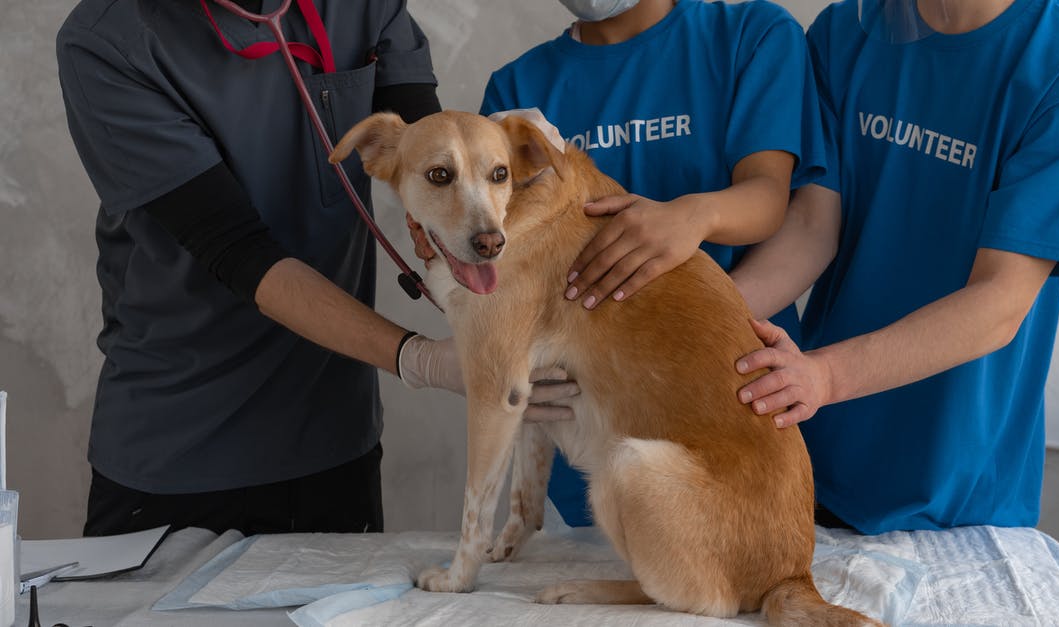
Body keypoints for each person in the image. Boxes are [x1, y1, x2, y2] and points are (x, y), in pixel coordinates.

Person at [56, 0, 572, 537]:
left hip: (332, 435)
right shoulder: (107, 40)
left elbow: (421, 139)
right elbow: (236, 250)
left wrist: (472, 188)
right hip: (181, 446)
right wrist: (420, 359)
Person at [418, 0, 827, 526]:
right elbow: (499, 265)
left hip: (728, 408)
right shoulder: (518, 92)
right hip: (588, 456)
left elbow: (770, 198)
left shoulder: (750, 35)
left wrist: (696, 216)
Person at [729, 0, 1059, 535]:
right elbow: (810, 229)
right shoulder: (847, 32)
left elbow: (998, 303)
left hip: (959, 496)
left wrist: (826, 375)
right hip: (815, 459)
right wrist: (692, 324)